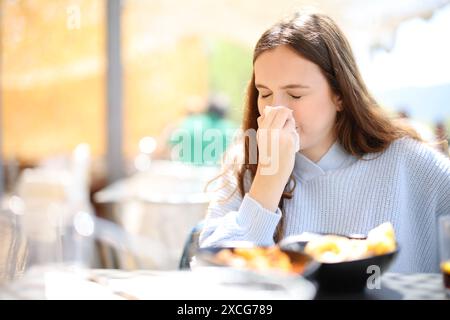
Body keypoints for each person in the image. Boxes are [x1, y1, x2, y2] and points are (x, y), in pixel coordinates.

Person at [199, 10, 450, 273]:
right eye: (265, 94)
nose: (275, 110)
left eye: (295, 95)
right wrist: (267, 185)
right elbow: (213, 276)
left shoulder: (410, 163)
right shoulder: (244, 162)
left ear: (340, 94)